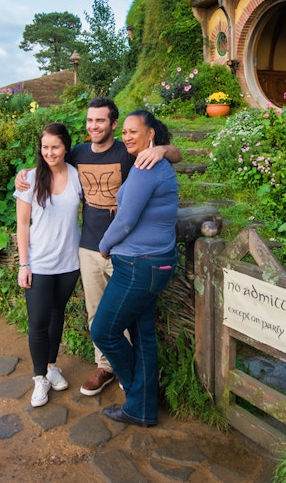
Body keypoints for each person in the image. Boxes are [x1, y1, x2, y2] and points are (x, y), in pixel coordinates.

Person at [16, 97, 181, 396]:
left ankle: (127, 368)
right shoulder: (78, 154)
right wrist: (24, 174)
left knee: (125, 313)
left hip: (125, 247)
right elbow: (51, 162)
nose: (94, 126)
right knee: (96, 312)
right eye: (90, 121)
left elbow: (177, 156)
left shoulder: (128, 151)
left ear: (113, 124)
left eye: (101, 121)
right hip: (90, 247)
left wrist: (162, 149)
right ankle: (104, 366)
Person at [91, 110, 179, 428]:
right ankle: (143, 407)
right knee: (143, 336)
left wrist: (103, 245)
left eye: (133, 131)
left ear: (150, 134)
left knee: (103, 330)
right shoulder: (154, 162)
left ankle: (141, 397)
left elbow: (126, 220)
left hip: (139, 266)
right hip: (152, 263)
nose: (127, 136)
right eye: (124, 131)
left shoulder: (147, 167)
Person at [13, 122, 83, 407]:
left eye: (55, 147)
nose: (50, 152)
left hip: (69, 263)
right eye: (45, 147)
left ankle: (52, 366)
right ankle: (39, 378)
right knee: (39, 322)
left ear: (66, 147)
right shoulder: (29, 178)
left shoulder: (77, 176)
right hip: (39, 264)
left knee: (57, 316)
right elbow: (21, 224)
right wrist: (23, 264)